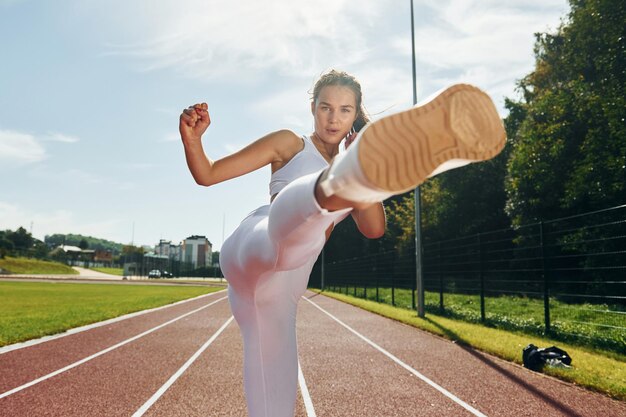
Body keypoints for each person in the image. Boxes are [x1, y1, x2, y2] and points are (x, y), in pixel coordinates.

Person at [179, 69, 505, 417]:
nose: (333, 118)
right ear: (313, 108)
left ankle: (341, 182)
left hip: (282, 296)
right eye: (325, 108)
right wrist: (192, 140)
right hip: (252, 247)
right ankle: (331, 184)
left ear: (355, 114)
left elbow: (375, 229)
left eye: (345, 110)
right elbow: (208, 174)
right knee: (278, 238)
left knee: (274, 411)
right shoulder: (289, 143)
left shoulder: (356, 154)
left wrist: (361, 181)